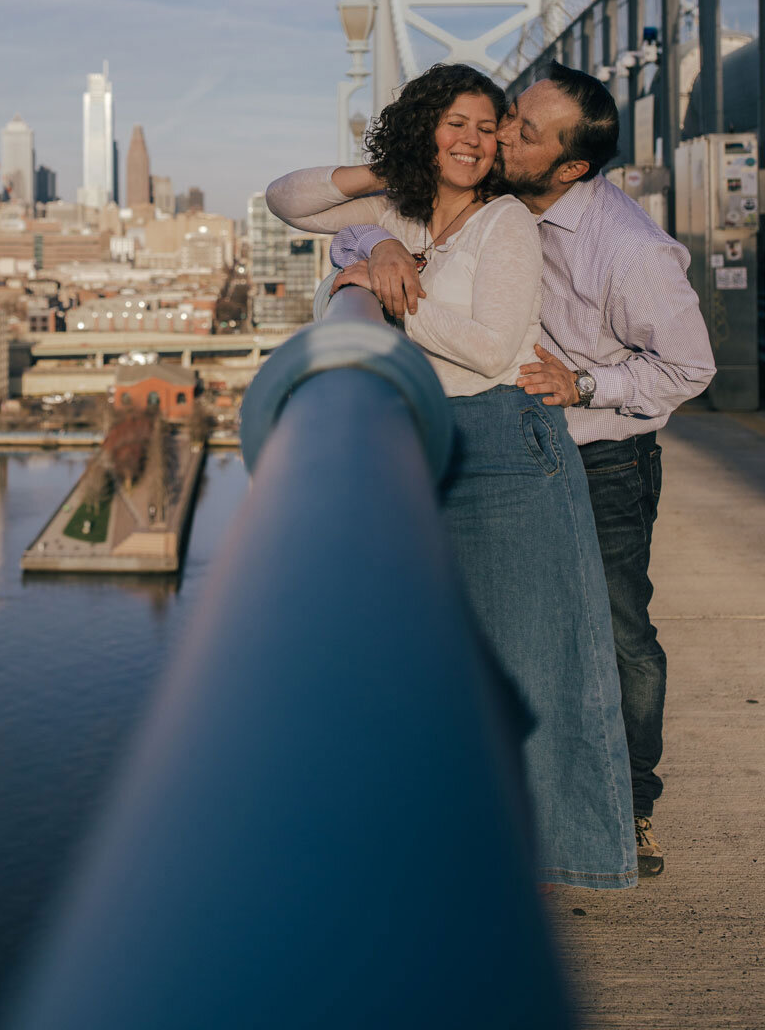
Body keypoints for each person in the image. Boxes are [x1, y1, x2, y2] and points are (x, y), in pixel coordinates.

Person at [327, 62, 716, 878]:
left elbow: (690, 369)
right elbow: (337, 222)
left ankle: (630, 809)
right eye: (509, 118)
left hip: (600, 449)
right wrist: (386, 237)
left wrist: (586, 384)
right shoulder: (486, 203)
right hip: (514, 439)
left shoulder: (631, 250)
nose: (500, 137)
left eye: (523, 134)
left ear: (572, 167)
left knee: (615, 638)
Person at [267, 62, 636, 891]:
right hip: (424, 437)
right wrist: (382, 229)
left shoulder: (506, 220)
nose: (474, 140)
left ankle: (568, 857)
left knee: (538, 665)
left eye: (487, 126)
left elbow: (494, 348)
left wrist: (396, 291)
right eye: (454, 124)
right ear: (423, 128)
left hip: (509, 447)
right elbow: (285, 199)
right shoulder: (395, 207)